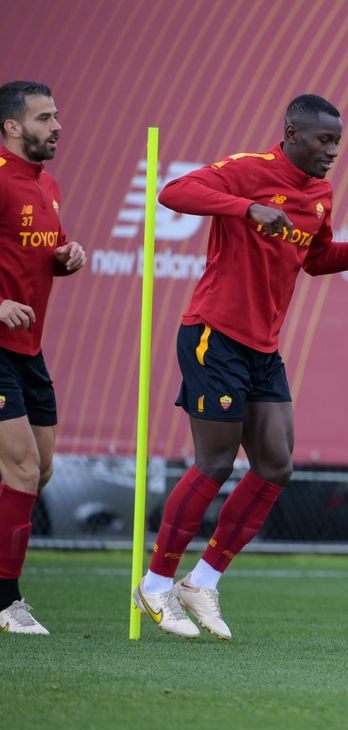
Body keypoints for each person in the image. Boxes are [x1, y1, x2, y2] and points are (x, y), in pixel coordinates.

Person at [133, 94, 348, 640]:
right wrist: (246, 208)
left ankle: (204, 580)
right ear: (290, 133)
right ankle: (155, 580)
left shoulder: (322, 194)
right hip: (213, 333)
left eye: (337, 142)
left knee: (275, 466)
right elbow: (172, 191)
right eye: (322, 140)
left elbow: (317, 259)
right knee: (214, 463)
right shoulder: (247, 172)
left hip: (263, 348)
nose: (332, 151)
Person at [0, 81, 87, 635]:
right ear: (12, 127)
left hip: (31, 350)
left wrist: (64, 257)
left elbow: (30, 253)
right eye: (44, 118)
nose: (56, 126)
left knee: (42, 470)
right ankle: (6, 600)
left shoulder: (46, 183)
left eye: (56, 116)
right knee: (24, 468)